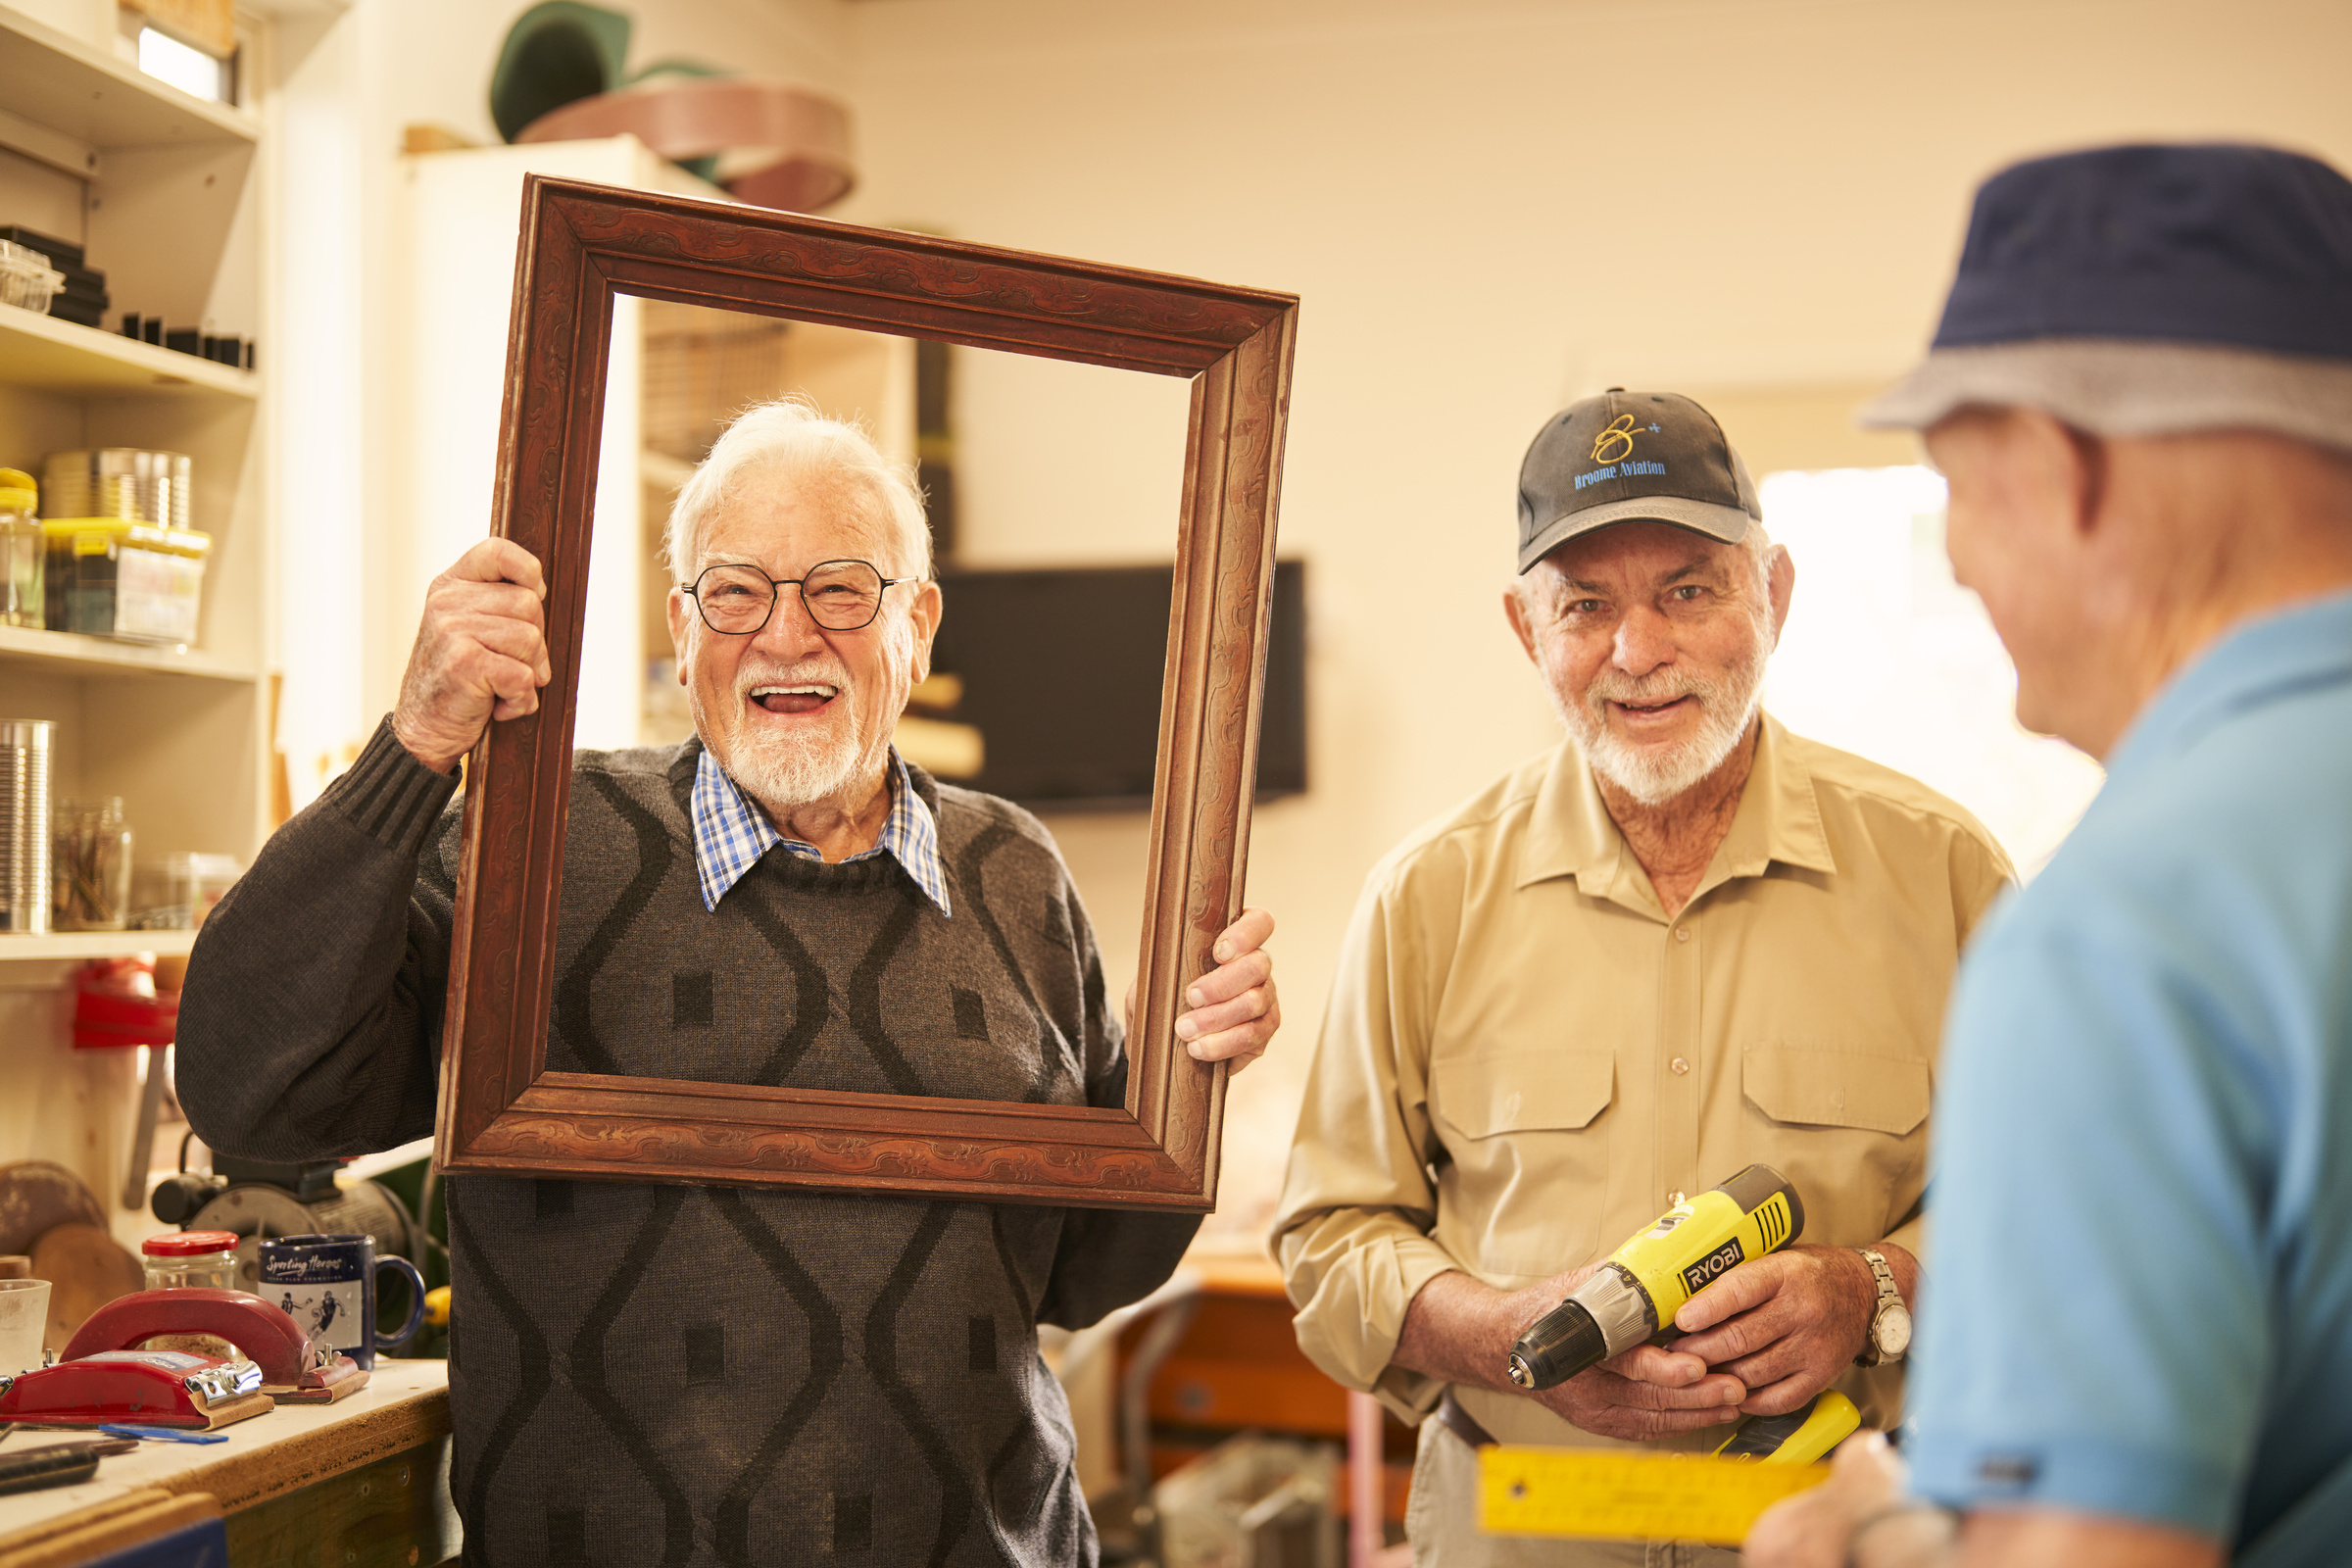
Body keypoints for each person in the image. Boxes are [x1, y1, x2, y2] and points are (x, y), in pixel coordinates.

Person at [175, 400, 1283, 1567]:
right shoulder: (539, 847)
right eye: (737, 589)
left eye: (841, 587)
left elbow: (1079, 1272)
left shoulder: (1016, 871)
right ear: (681, 622)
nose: (786, 635)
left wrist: (1189, 1084)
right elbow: (254, 1088)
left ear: (921, 620)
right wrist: (412, 749)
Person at [1271, 389, 2013, 1566]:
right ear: (1527, 631)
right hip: (1520, 1537)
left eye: (1687, 589)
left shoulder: (1947, 874)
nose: (1638, 651)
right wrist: (1510, 1335)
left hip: (1844, 1536)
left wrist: (1874, 1287)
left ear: (1772, 595)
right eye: (1586, 606)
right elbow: (1329, 1240)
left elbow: (2052, 1211)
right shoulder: (1426, 894)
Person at [1744, 144, 2352, 1568]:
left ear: (2062, 463)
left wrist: (1855, 1537)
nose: (1960, 561)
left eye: (1959, 483)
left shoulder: (2131, 933)